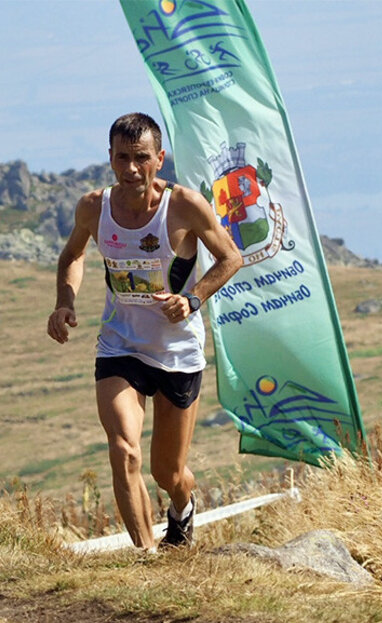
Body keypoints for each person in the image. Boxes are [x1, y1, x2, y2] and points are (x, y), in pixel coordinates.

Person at [47, 113, 243, 550]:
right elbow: (72, 255)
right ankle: (146, 556)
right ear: (110, 158)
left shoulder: (185, 205)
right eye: (122, 158)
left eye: (141, 158)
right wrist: (65, 302)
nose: (131, 169)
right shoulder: (93, 207)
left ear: (159, 158)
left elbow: (231, 257)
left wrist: (193, 298)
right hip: (121, 345)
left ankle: (182, 506)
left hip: (178, 352)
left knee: (167, 473)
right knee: (123, 449)